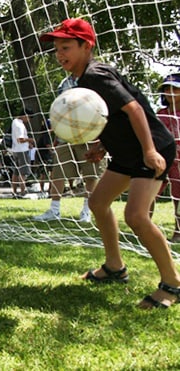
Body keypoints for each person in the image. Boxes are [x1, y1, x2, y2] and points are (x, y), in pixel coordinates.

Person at [40, 17, 180, 309]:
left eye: (66, 47)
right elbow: (111, 118)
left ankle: (172, 283)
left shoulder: (95, 75)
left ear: (85, 45)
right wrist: (102, 146)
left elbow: (134, 109)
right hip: (129, 154)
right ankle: (115, 267)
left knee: (137, 217)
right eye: (56, 50)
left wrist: (150, 150)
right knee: (98, 203)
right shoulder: (84, 79)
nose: (60, 54)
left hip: (150, 150)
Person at [33, 77, 105, 222]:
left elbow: (100, 110)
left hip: (89, 136)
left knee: (91, 175)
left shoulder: (94, 79)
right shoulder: (64, 83)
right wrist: (57, 136)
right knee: (58, 174)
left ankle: (86, 211)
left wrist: (102, 140)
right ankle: (54, 210)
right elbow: (60, 109)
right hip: (65, 138)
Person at [155, 73, 180, 243]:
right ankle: (142, 227)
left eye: (175, 88)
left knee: (178, 197)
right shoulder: (160, 113)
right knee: (148, 192)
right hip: (162, 158)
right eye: (167, 88)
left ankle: (178, 231)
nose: (170, 92)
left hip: (179, 159)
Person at [10, 109, 35, 197]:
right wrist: (30, 140)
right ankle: (23, 191)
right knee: (23, 172)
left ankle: (14, 191)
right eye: (29, 118)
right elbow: (20, 139)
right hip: (22, 151)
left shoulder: (14, 121)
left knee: (16, 172)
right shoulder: (20, 125)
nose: (29, 120)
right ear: (25, 115)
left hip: (15, 150)